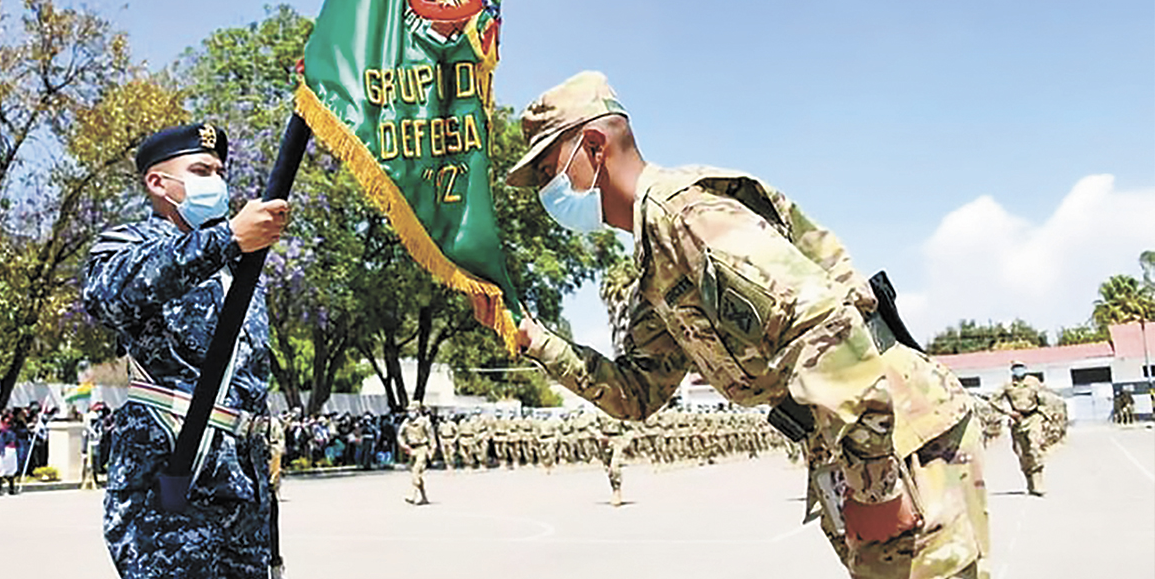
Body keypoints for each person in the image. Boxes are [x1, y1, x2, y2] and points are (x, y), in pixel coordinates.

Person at [495, 71, 989, 579]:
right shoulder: (657, 261)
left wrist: (875, 484)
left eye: (551, 172)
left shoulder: (685, 217)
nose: (549, 193)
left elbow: (822, 323)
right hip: (855, 437)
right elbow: (637, 392)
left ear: (594, 147)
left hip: (895, 430)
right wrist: (537, 340)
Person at [80, 123, 289, 579]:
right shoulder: (130, 244)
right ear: (157, 182)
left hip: (242, 481)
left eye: (218, 170)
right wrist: (227, 238)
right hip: (172, 478)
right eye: (200, 169)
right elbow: (110, 294)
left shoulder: (240, 269)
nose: (215, 180)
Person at [989, 362, 1050, 497]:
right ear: (1012, 370)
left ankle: (1038, 482)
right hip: (1017, 419)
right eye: (1016, 368)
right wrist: (1009, 412)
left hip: (1033, 417)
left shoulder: (1033, 382)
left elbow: (1046, 398)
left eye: (1021, 367)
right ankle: (1030, 482)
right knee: (1022, 452)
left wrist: (1044, 414)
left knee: (1035, 447)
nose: (1019, 370)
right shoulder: (1008, 385)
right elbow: (994, 400)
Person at [397, 401, 434, 505]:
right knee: (418, 474)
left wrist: (431, 451)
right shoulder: (406, 422)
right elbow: (400, 435)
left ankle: (412, 495)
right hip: (411, 449)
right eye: (409, 411)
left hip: (422, 448)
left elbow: (432, 437)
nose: (410, 413)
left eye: (412, 410)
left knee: (416, 472)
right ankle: (424, 496)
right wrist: (404, 445)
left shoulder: (425, 422)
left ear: (417, 411)